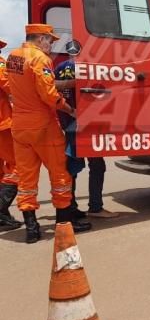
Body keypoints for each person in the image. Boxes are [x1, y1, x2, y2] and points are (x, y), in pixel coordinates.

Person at [5, 24, 90, 243]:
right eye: (50, 41)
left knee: (26, 179)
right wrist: (71, 109)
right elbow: (49, 95)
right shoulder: (40, 60)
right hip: (43, 126)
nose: (50, 45)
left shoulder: (13, 56)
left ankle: (31, 228)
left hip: (20, 127)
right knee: (60, 176)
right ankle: (64, 222)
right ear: (40, 38)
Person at [55, 60, 118, 219]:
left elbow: (53, 92)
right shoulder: (91, 66)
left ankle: (71, 206)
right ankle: (94, 208)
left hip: (69, 123)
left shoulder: (61, 67)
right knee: (95, 165)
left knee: (72, 167)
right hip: (87, 124)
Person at [0, 39, 22, 230]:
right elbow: (9, 85)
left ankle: (3, 215)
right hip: (2, 125)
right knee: (17, 166)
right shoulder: (0, 64)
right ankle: (1, 211)